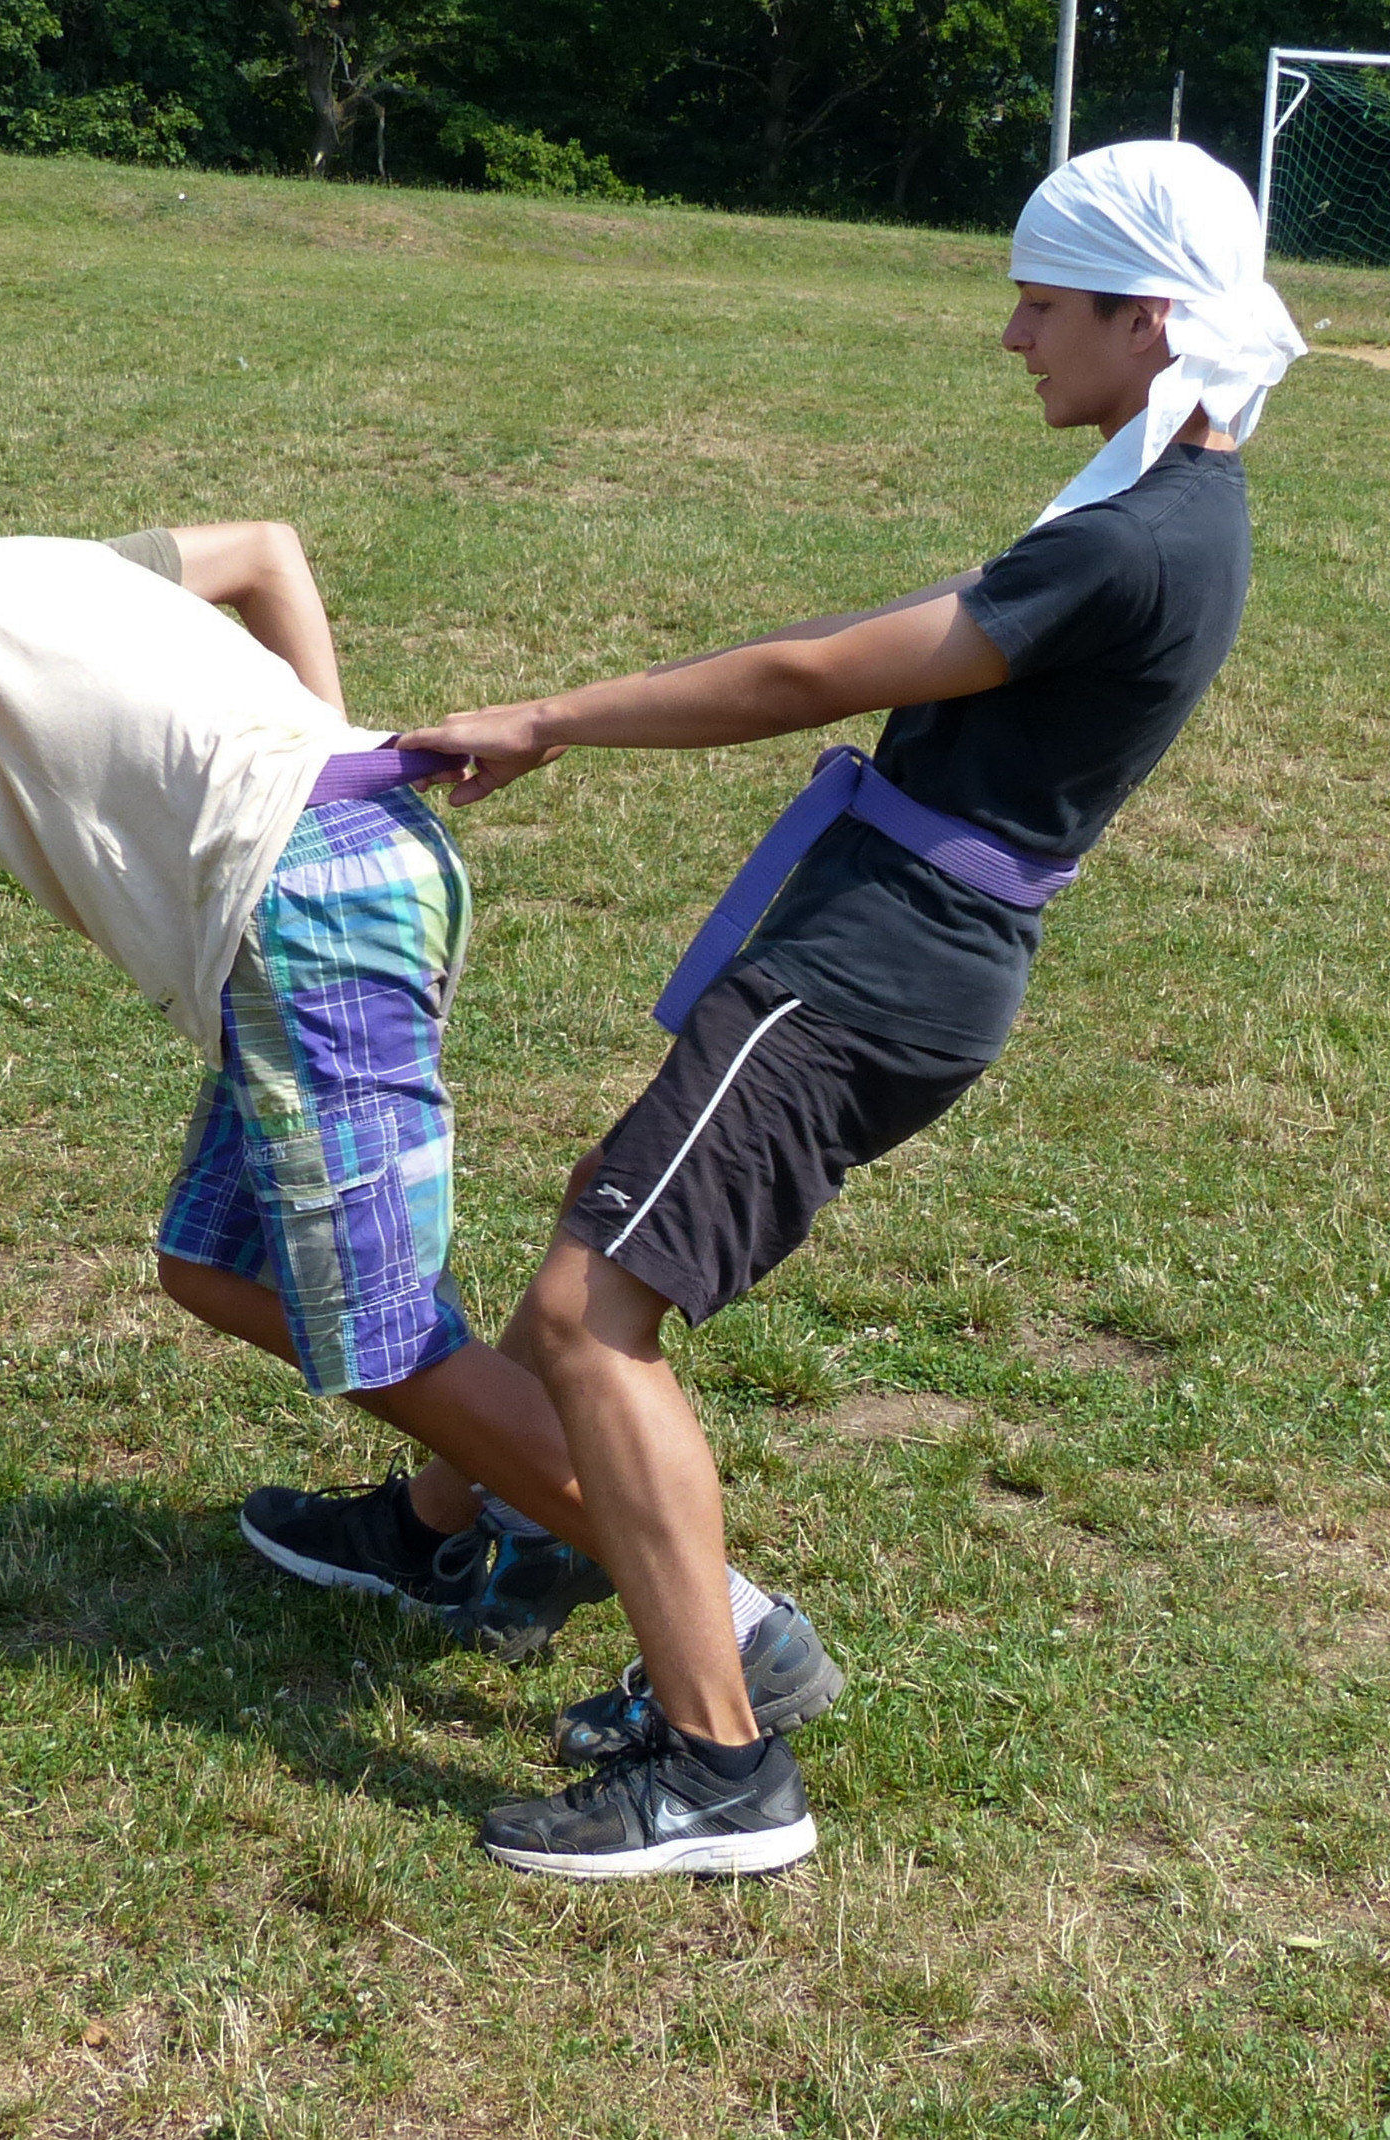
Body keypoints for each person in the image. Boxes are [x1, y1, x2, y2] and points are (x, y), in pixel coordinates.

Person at [248, 140, 1306, 1878]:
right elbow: (897, 633)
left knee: (591, 1315)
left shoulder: (1141, 538)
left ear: (1148, 321)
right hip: (901, 951)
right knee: (606, 1227)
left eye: (1042, 305)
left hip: (870, 970)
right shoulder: (1169, 505)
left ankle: (721, 1767)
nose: (1014, 337)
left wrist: (548, 717)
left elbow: (812, 675)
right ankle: (451, 1531)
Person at [0, 490, 642, 1650]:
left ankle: (706, 1609)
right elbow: (266, 552)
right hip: (340, 864)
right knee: (216, 1261)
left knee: (373, 1327)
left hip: (303, 906)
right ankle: (477, 1505)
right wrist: (321, 754)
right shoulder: (21, 562)